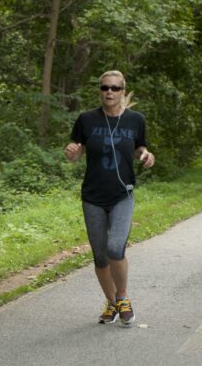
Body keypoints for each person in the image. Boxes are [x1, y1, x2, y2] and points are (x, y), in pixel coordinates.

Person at [64, 70, 155, 326]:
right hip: (92, 196)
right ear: (100, 90)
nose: (109, 93)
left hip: (121, 194)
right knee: (100, 256)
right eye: (105, 88)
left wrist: (146, 156)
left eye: (115, 88)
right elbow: (76, 151)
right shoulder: (86, 119)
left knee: (115, 248)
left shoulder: (135, 120)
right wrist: (71, 153)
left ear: (123, 91)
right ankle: (112, 302)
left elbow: (140, 147)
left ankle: (123, 297)